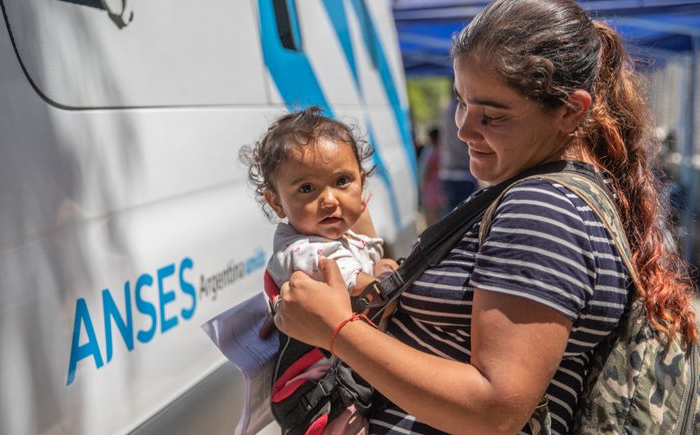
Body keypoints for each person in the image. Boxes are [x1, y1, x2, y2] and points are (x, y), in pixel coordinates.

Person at [270, 1, 699, 434]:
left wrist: (336, 329)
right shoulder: (544, 191)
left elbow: (494, 408)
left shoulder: (541, 210)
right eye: (461, 101)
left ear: (571, 111)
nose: (464, 129)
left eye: (491, 115)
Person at [239, 106, 397, 301]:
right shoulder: (305, 252)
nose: (330, 201)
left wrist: (382, 265)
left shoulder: (343, 235)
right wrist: (389, 273)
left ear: (361, 183)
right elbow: (375, 293)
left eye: (341, 181)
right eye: (306, 188)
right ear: (276, 203)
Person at [439, 99, 479, 214]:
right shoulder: (463, 108)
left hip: (448, 173)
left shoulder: (447, 110)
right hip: (464, 174)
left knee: (451, 219)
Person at [418, 126, 445, 225]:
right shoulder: (443, 151)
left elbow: (426, 172)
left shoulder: (430, 153)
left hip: (431, 189)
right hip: (441, 188)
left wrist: (422, 185)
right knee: (440, 216)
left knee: (431, 218)